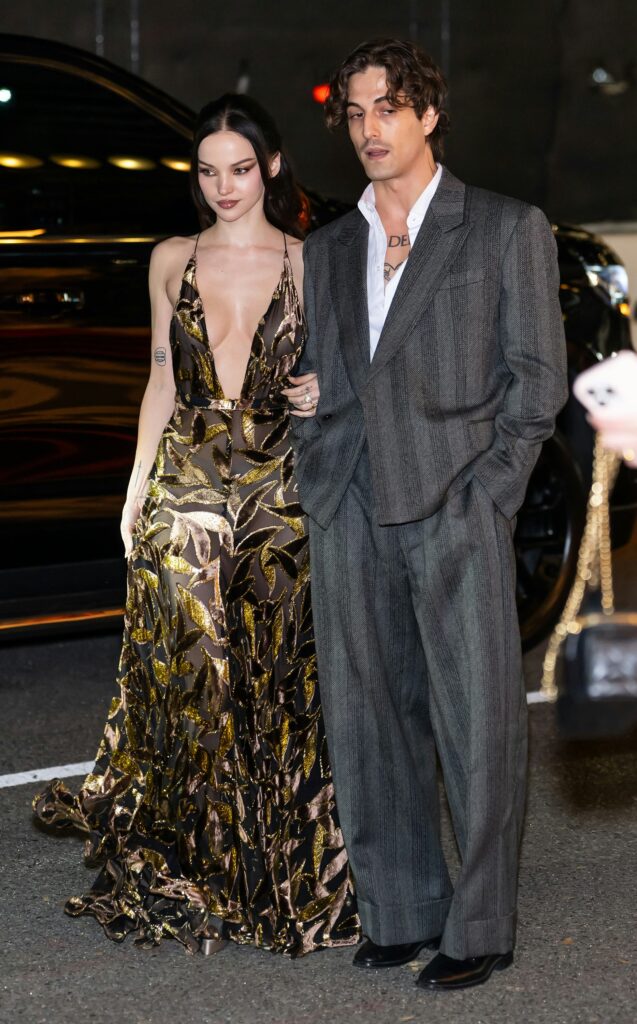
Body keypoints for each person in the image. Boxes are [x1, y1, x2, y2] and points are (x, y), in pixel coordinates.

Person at [33, 94, 360, 958]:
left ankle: (278, 854)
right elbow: (160, 379)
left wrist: (322, 390)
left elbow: (345, 373)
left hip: (278, 486)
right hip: (187, 476)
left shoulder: (311, 261)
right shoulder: (170, 258)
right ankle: (199, 857)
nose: (224, 186)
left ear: (272, 167)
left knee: (279, 677)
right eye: (209, 171)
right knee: (190, 672)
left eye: (240, 169)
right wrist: (135, 488)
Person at [288, 38, 568, 990]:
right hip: (349, 499)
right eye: (354, 113)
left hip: (455, 498)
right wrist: (313, 409)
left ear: (428, 115)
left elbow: (537, 381)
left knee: (476, 722)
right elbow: (332, 369)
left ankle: (479, 924)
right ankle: (401, 909)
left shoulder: (501, 227)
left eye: (387, 109)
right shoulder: (330, 246)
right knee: (367, 718)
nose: (368, 129)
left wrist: (490, 493)